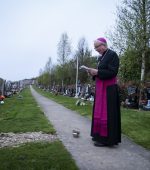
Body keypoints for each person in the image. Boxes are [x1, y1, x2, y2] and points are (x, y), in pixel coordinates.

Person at [88, 37, 121, 147]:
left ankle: (106, 139)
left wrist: (97, 72)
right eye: (95, 47)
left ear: (104, 44)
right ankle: (98, 135)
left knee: (106, 113)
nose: (96, 49)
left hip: (109, 90)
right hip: (101, 88)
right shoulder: (101, 57)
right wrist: (93, 73)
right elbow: (101, 72)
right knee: (98, 112)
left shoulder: (112, 55)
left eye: (97, 47)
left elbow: (112, 72)